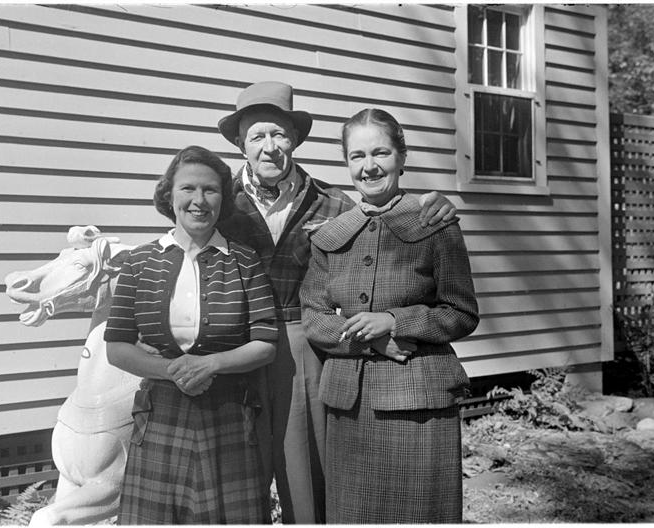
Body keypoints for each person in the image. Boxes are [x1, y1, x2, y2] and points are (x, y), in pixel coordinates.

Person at [216, 82, 458, 523]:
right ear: (240, 144)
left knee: (308, 480)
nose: (269, 147)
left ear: (295, 139)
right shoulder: (218, 204)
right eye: (257, 136)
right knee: (234, 482)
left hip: (301, 348)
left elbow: (381, 222)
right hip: (234, 346)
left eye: (279, 134)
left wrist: (431, 203)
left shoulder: (333, 204)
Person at [299, 108, 479, 523]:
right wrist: (370, 338)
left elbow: (462, 313)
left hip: (419, 401)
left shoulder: (435, 224)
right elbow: (314, 317)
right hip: (350, 406)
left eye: (380, 152)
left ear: (401, 157)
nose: (369, 166)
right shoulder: (329, 236)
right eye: (357, 156)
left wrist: (396, 321)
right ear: (347, 162)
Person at [104, 145, 278, 524]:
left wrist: (210, 364)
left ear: (223, 199)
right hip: (160, 414)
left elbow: (265, 344)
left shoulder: (244, 261)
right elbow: (116, 347)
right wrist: (173, 371)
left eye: (210, 190)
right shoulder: (138, 262)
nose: (199, 200)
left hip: (229, 415)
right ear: (169, 195)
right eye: (188, 188)